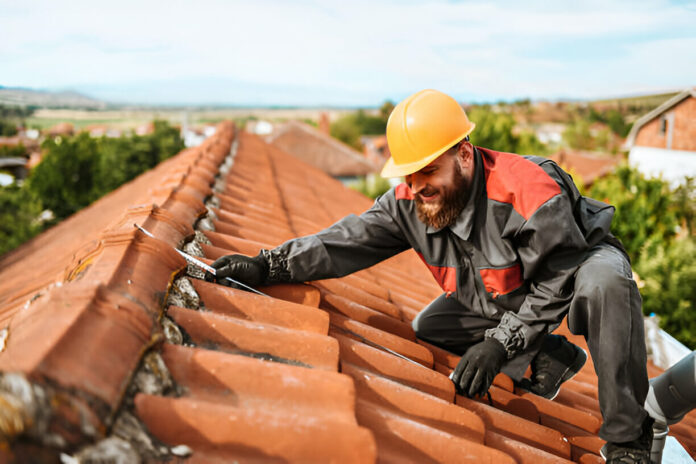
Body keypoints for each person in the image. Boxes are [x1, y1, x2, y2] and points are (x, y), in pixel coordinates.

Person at [205, 89, 652, 463]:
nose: (418, 186)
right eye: (410, 175)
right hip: (504, 290)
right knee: (430, 329)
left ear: (463, 154)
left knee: (605, 283)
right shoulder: (410, 201)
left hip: (574, 265)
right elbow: (344, 241)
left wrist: (502, 343)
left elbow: (560, 275)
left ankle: (629, 439)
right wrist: (270, 265)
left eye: (428, 171)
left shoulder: (528, 189)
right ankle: (550, 356)